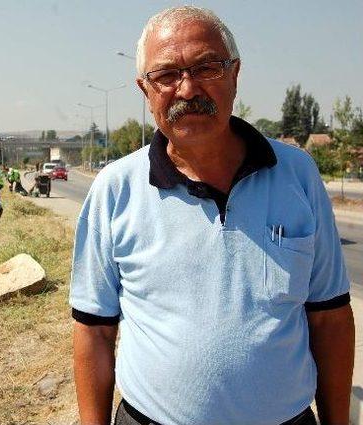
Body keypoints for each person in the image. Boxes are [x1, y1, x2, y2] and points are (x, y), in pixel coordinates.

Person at [70, 6, 353, 425]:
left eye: (206, 67)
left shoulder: (298, 174)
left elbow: (330, 317)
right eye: (166, 75)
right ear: (145, 90)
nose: (187, 89)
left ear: (234, 75)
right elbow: (94, 330)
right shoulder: (115, 189)